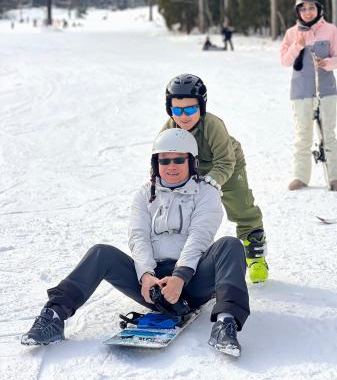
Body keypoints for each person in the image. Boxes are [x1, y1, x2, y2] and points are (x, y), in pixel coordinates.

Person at [21, 129, 250, 357]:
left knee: (230, 245)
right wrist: (146, 276)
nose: (171, 166)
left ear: (192, 162)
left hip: (194, 280)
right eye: (165, 160)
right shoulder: (144, 195)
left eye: (179, 159)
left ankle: (225, 323)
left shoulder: (206, 193)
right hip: (152, 285)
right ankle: (53, 316)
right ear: (156, 163)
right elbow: (138, 236)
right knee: (102, 253)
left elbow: (199, 237)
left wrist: (180, 277)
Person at [161, 74, 268, 283]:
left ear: (202, 106)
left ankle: (255, 254)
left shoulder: (212, 125)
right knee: (182, 211)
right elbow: (160, 158)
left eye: (191, 109)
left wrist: (214, 180)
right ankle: (185, 256)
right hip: (192, 169)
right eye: (177, 110)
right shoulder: (169, 129)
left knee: (240, 206)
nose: (184, 116)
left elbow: (225, 161)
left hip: (226, 164)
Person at [280, 0, 337, 191]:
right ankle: (300, 177)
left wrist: (327, 62)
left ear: (318, 9)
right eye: (303, 8)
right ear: (298, 11)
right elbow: (285, 60)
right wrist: (298, 45)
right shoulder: (291, 33)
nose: (307, 12)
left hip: (327, 91)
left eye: (311, 7)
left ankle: (334, 176)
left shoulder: (330, 30)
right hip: (300, 92)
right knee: (302, 134)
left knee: (328, 133)